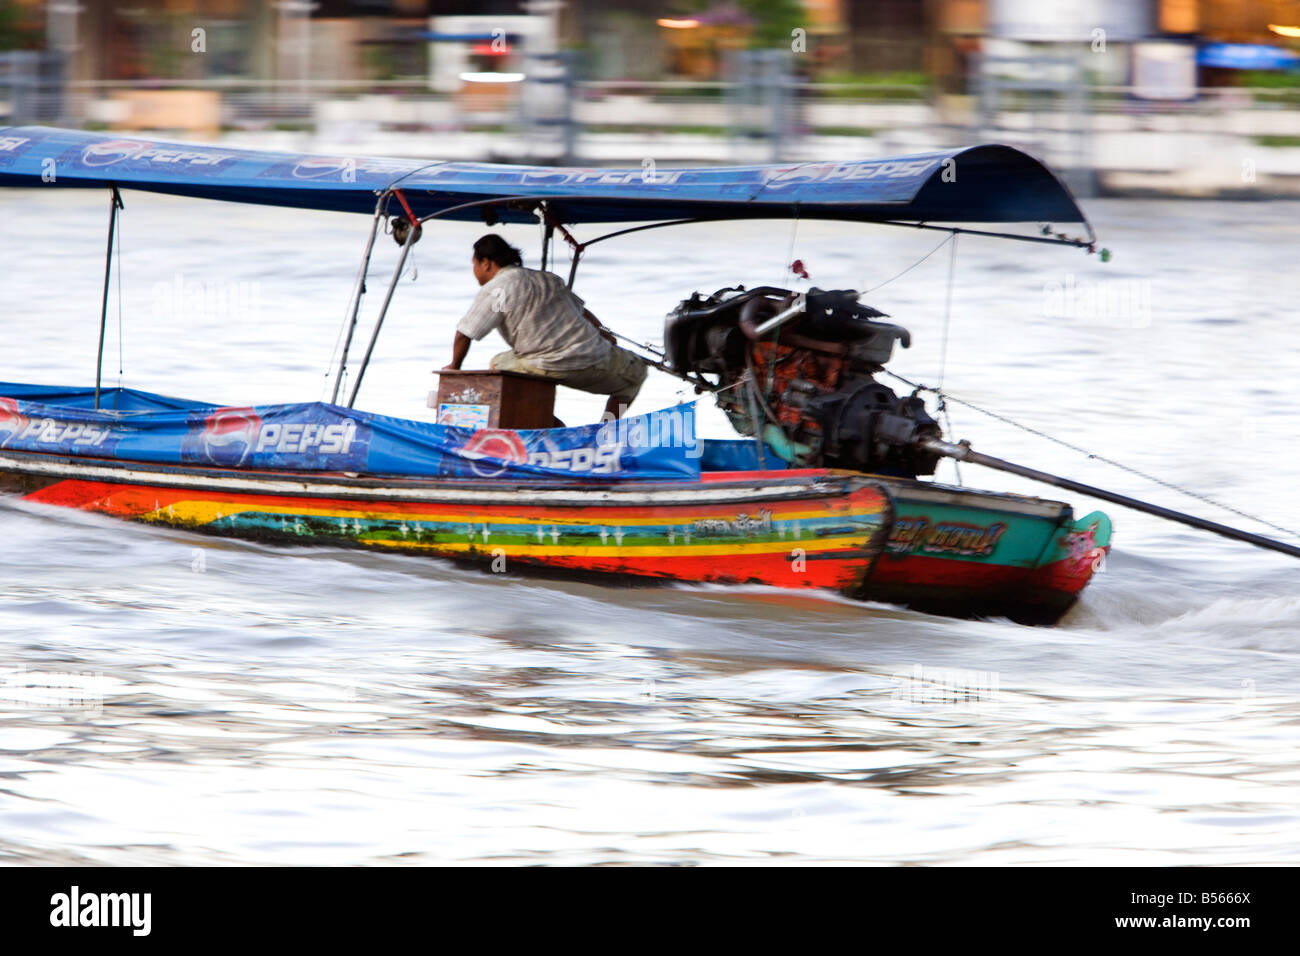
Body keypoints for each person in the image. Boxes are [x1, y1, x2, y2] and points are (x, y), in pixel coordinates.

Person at [443, 234, 647, 420]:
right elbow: (582, 312)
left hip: (544, 365)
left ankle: (549, 426)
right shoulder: (548, 279)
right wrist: (603, 333)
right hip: (591, 357)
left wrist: (454, 367)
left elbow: (465, 333)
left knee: (498, 364)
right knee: (637, 373)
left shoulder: (498, 288)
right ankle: (608, 426)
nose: (475, 271)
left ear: (486, 263)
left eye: (474, 265)